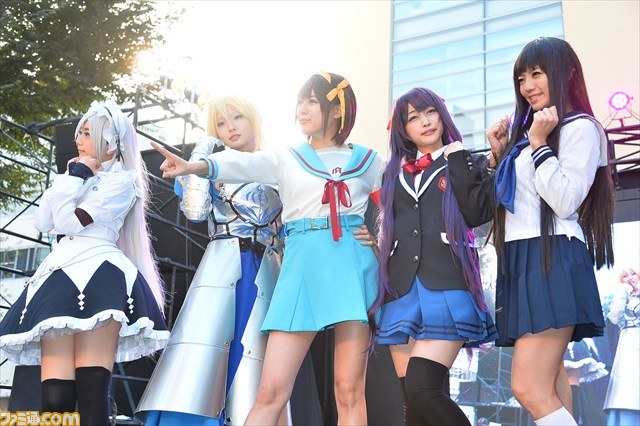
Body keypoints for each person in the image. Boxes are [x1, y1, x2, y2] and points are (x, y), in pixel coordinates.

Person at [151, 71, 384, 425]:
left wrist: (380, 244)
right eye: (300, 102)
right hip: (301, 265)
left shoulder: (369, 161)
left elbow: (401, 207)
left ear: (337, 109)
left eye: (312, 101)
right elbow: (240, 163)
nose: (302, 109)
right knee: (270, 392)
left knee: (349, 391)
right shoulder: (287, 158)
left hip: (352, 266)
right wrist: (194, 166)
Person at [447, 37, 615, 426]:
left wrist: (539, 145)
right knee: (552, 385)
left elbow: (566, 199)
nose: (527, 86)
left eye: (536, 74)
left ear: (566, 73)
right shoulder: (529, 135)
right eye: (521, 78)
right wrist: (500, 154)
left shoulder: (580, 128)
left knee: (527, 387)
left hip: (552, 256)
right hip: (521, 258)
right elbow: (505, 205)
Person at [0, 101, 169, 426]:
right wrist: (73, 177)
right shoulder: (75, 175)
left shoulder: (122, 181)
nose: (79, 140)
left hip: (100, 277)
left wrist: (77, 176)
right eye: (80, 133)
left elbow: (69, 223)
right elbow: (42, 222)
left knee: (92, 394)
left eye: (88, 134)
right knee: (54, 399)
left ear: (111, 140)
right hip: (59, 277)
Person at [138, 96, 290, 425]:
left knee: (258, 361)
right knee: (206, 357)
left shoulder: (279, 167)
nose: (230, 127)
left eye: (237, 117)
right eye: (220, 123)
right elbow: (194, 211)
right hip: (224, 267)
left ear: (253, 118)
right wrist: (203, 151)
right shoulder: (212, 166)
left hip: (268, 272)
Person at [368, 87, 498, 426]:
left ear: (442, 115)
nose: (425, 122)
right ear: (403, 129)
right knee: (413, 404)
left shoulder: (462, 160)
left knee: (422, 389)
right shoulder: (392, 174)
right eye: (413, 118)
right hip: (401, 292)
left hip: (447, 285)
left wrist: (457, 155)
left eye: (430, 112)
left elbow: (476, 214)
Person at [604, 268, 639, 426]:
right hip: (628, 344)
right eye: (625, 276)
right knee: (627, 389)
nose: (630, 278)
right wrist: (622, 293)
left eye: (633, 273)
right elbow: (615, 317)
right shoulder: (618, 297)